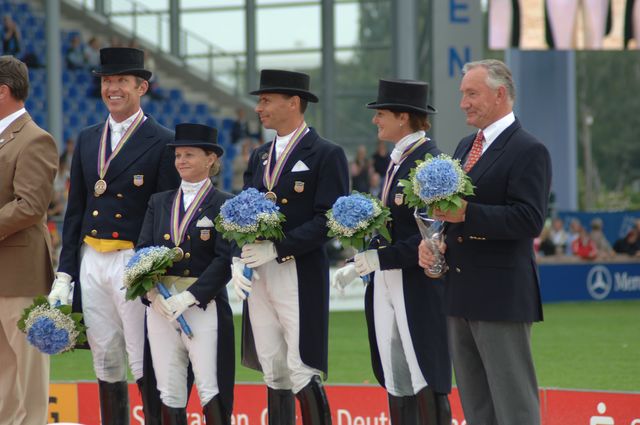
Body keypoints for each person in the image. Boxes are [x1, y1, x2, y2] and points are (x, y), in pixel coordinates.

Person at [47, 47, 180, 425]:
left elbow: (165, 213)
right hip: (92, 258)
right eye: (107, 81)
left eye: (122, 80)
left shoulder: (162, 140)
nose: (113, 88)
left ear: (142, 87)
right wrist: (65, 273)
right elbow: (75, 211)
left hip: (132, 260)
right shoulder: (88, 138)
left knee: (142, 357)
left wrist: (154, 270)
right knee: (104, 356)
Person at [418, 59, 551, 425]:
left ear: (499, 94)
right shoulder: (465, 146)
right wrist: (434, 241)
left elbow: (530, 219)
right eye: (463, 94)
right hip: (460, 293)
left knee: (514, 407)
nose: (463, 103)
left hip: (501, 296)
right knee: (477, 407)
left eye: (471, 94)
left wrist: (468, 214)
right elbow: (450, 214)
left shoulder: (529, 149)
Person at [232, 69, 349, 425]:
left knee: (302, 367)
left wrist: (278, 248)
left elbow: (329, 219)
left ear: (294, 102)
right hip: (260, 272)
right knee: (272, 367)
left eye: (266, 100)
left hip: (298, 270)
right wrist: (238, 256)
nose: (259, 108)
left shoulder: (326, 153)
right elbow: (242, 213)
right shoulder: (259, 156)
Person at [334, 79, 452, 424]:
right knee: (394, 374)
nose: (375, 120)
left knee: (424, 373)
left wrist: (376, 258)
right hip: (388, 280)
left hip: (416, 282)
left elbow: (431, 237)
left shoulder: (429, 162)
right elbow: (393, 227)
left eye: (381, 113)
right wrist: (363, 256)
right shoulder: (397, 159)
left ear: (403, 117)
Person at [137, 123, 234, 424]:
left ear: (210, 159)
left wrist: (190, 297)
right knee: (168, 389)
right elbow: (143, 249)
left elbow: (224, 259)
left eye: (189, 155)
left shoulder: (224, 203)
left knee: (210, 387)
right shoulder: (159, 201)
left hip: (202, 305)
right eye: (178, 155)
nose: (181, 161)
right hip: (161, 306)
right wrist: (151, 292)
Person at [0, 55, 58, 425]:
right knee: (4, 372)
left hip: (21, 275)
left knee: (28, 373)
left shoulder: (36, 139)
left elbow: (30, 206)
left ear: (2, 91)